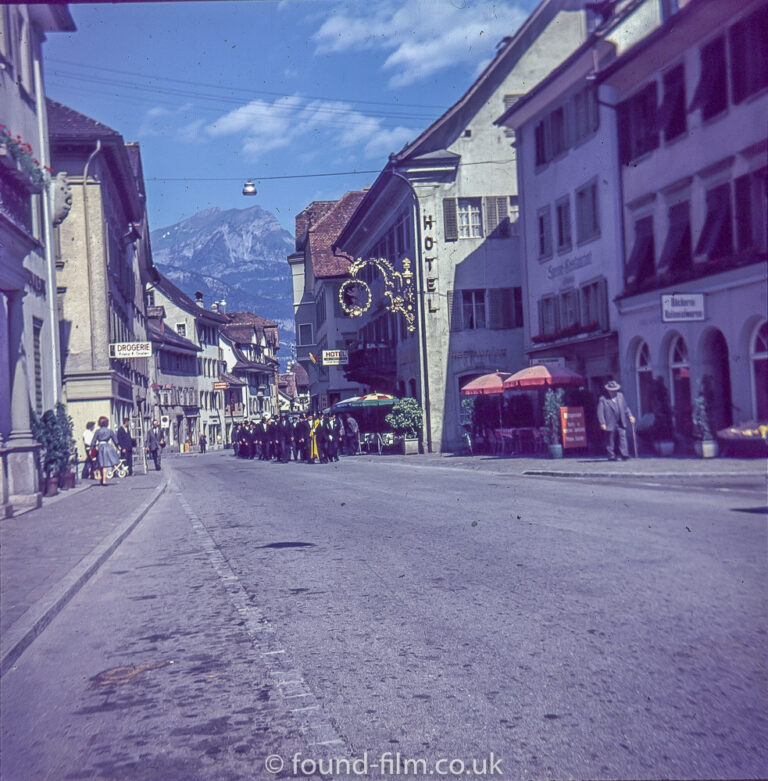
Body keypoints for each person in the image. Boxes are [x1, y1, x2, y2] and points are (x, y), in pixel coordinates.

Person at [597, 380, 635, 461]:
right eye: (611, 391)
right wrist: (602, 423)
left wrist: (630, 416)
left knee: (623, 437)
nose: (613, 392)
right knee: (610, 439)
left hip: (620, 421)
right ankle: (611, 456)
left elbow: (625, 408)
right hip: (609, 422)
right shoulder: (603, 399)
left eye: (615, 390)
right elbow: (600, 412)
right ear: (608, 390)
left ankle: (624, 454)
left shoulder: (620, 396)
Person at [92, 416, 120, 486]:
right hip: (107, 447)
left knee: (101, 464)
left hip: (100, 447)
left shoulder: (97, 431)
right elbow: (115, 439)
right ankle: (104, 479)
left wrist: (91, 448)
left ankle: (103, 479)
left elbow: (94, 440)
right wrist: (118, 446)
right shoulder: (109, 431)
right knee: (105, 464)